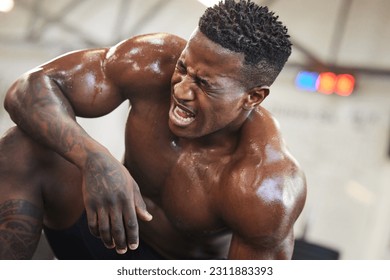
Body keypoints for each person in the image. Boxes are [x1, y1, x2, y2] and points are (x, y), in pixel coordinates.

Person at [0, 0, 306, 260]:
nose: (182, 90)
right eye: (184, 68)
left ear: (252, 97)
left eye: (204, 84)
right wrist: (93, 157)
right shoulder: (152, 62)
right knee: (23, 146)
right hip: (102, 232)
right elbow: (27, 89)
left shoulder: (266, 185)